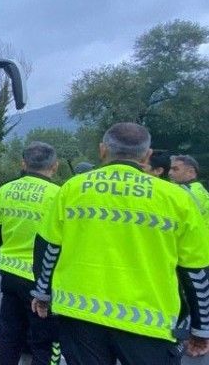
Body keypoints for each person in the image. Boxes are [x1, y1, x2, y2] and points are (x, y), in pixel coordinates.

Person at [30, 122, 209, 364]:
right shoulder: (177, 199)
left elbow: (48, 248)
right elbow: (195, 270)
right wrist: (201, 327)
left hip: (80, 315)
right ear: (147, 155)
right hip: (149, 324)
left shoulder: (71, 189)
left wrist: (42, 294)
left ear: (103, 150)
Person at [0, 141, 61, 365]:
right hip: (42, 281)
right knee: (44, 341)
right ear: (54, 166)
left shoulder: (5, 190)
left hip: (9, 274)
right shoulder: (59, 195)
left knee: (9, 334)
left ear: (23, 164)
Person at [170, 155, 209, 220]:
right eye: (170, 169)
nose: (170, 173)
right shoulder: (198, 189)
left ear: (191, 172)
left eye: (175, 169)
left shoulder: (186, 191)